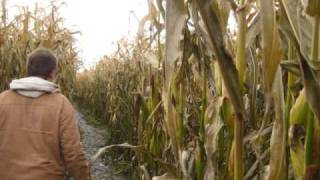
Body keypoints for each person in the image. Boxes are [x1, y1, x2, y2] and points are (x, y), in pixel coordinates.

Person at [0, 48, 91, 180]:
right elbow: (73, 153)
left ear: (28, 69)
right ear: (52, 72)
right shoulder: (61, 104)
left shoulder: (2, 99)